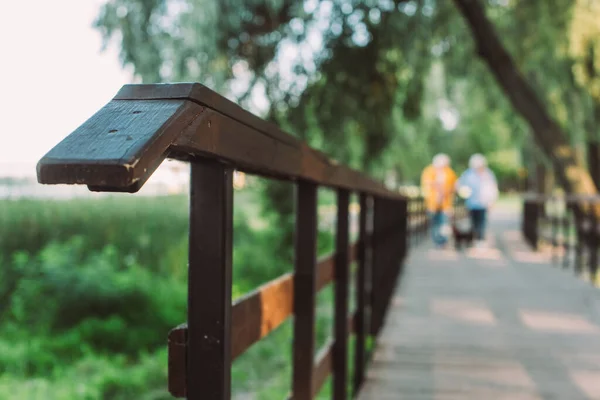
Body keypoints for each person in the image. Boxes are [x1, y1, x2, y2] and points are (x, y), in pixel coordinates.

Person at [456, 154, 499, 246]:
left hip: (484, 203)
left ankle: (480, 239)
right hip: (471, 203)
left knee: (482, 221)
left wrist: (492, 201)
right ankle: (473, 238)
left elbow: (493, 188)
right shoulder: (468, 174)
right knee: (472, 221)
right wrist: (462, 192)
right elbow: (459, 185)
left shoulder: (488, 174)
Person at [420, 153, 457, 247]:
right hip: (432, 203)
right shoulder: (429, 171)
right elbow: (427, 184)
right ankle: (437, 241)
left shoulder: (449, 172)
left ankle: (442, 241)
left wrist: (444, 190)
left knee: (444, 223)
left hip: (446, 204)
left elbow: (454, 186)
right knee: (434, 223)